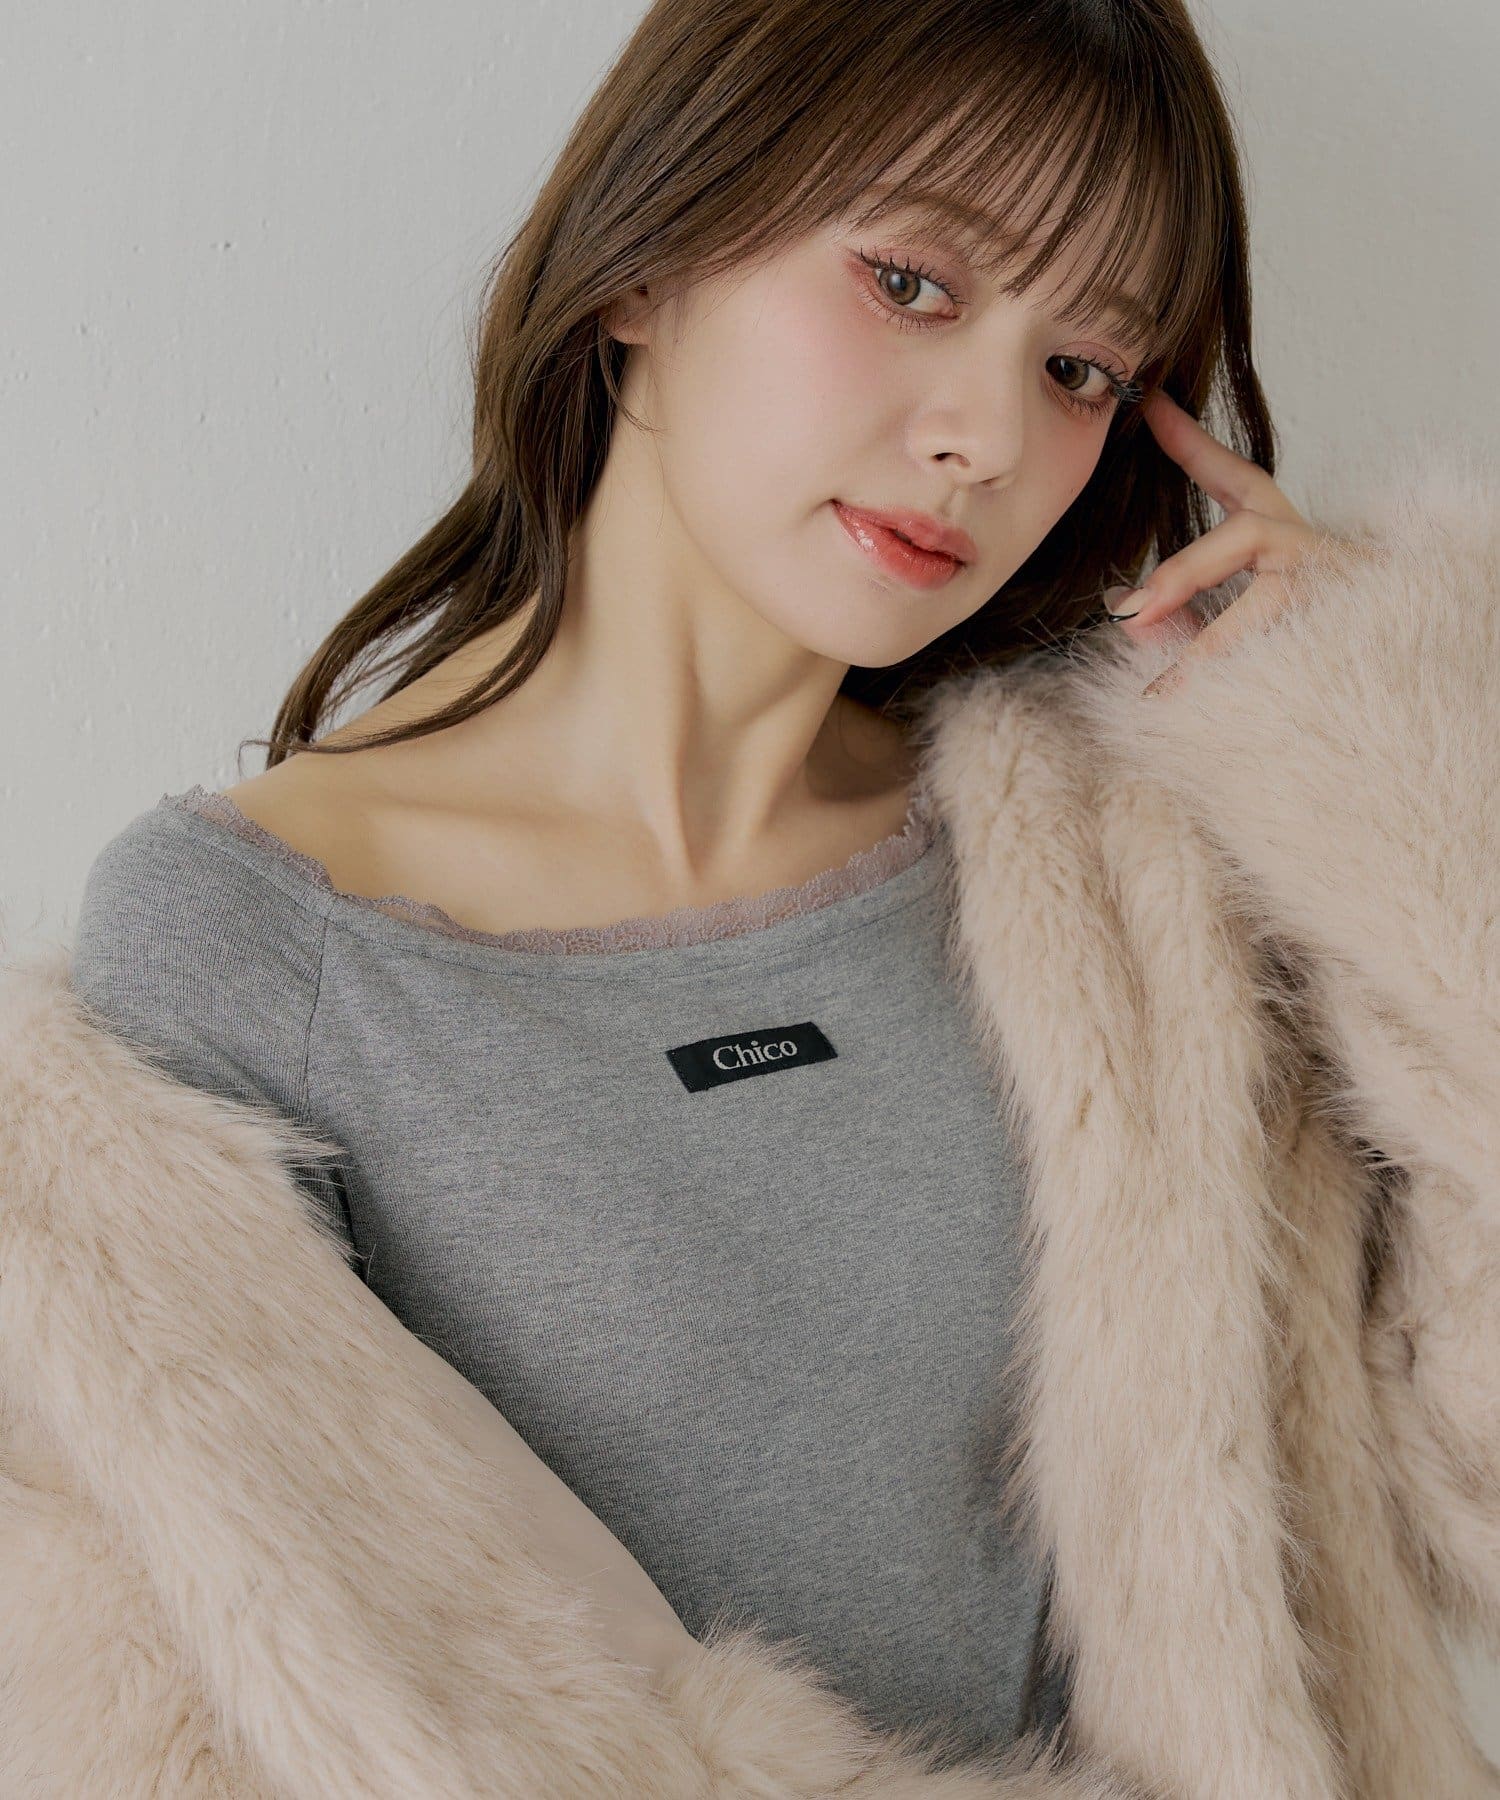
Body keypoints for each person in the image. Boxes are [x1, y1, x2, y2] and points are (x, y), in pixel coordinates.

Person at [5, 0, 1497, 1794]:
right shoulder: (257, 947)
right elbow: (231, 1722)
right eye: (913, 284)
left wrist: (1406, 770)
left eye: (1081, 370)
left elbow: (1468, 1484)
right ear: (648, 258)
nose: (985, 436)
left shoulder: (1130, 866)